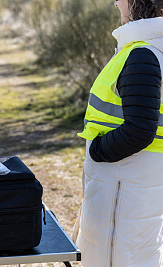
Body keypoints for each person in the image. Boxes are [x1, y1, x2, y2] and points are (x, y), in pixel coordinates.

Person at [76, 0, 163, 266]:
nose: (116, 2)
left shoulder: (142, 54)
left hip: (124, 189)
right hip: (131, 185)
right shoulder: (145, 49)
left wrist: (98, 150)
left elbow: (139, 130)